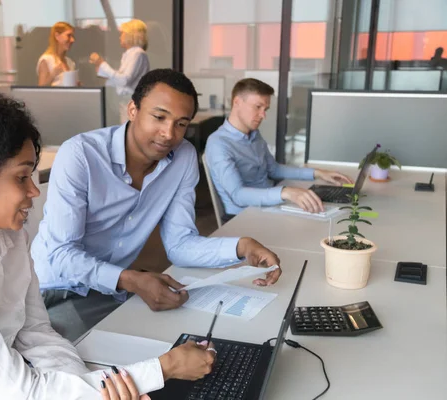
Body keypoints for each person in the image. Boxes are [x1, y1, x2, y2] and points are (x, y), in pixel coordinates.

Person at [0, 89, 216, 399]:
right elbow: (27, 392)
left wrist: (99, 388)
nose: (34, 192)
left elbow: (36, 331)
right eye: (21, 177)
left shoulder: (11, 238)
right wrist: (162, 369)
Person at [31, 69, 282, 341]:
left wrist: (242, 246)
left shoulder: (183, 157)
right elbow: (61, 254)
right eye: (159, 117)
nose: (168, 134)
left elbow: (180, 244)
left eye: (181, 124)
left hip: (114, 288)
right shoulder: (80, 154)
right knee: (117, 362)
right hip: (55, 291)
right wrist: (130, 280)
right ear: (133, 110)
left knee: (199, 338)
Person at [204, 78, 353, 221]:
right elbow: (238, 195)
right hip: (245, 218)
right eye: (258, 107)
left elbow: (274, 170)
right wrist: (285, 192)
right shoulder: (218, 144)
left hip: (270, 208)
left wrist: (318, 173)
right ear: (237, 102)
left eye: (265, 109)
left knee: (333, 213)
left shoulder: (254, 135)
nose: (263, 115)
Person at [89, 19, 150, 123]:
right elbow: (120, 80)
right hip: (126, 102)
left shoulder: (137, 54)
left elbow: (124, 80)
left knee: (128, 132)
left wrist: (102, 65)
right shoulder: (131, 54)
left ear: (131, 35)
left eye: (122, 33)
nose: (119, 37)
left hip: (131, 102)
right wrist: (102, 70)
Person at [37, 21, 77, 87]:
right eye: (69, 35)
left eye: (72, 36)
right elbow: (40, 90)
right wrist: (52, 75)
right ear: (57, 36)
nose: (72, 40)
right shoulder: (46, 60)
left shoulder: (70, 62)